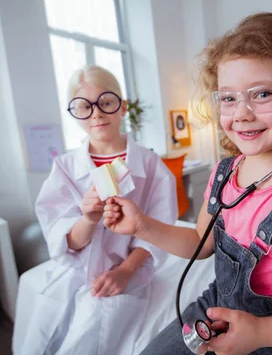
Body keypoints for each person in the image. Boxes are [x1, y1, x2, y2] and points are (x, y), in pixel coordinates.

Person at [102, 12, 272, 354]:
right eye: (228, 98)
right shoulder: (223, 173)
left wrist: (261, 333)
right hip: (218, 307)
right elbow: (200, 244)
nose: (242, 113)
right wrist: (141, 225)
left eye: (262, 94)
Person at [18, 65, 177, 354]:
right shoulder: (65, 169)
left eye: (105, 103)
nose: (96, 114)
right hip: (76, 270)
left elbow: (158, 228)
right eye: (84, 107)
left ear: (123, 107)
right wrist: (88, 220)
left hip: (129, 269)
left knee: (92, 329)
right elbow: (65, 239)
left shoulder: (151, 165)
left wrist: (126, 271)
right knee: (43, 333)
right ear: (74, 114)